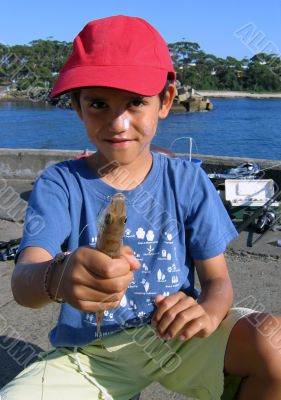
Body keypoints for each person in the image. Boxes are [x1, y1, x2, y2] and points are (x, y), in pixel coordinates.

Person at [1, 15, 281, 400]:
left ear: (164, 101)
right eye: (99, 103)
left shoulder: (187, 180)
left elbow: (217, 283)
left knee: (275, 347)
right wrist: (59, 275)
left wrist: (209, 312)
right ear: (78, 107)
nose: (118, 122)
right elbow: (23, 283)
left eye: (135, 102)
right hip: (91, 350)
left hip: (176, 336)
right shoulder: (59, 184)